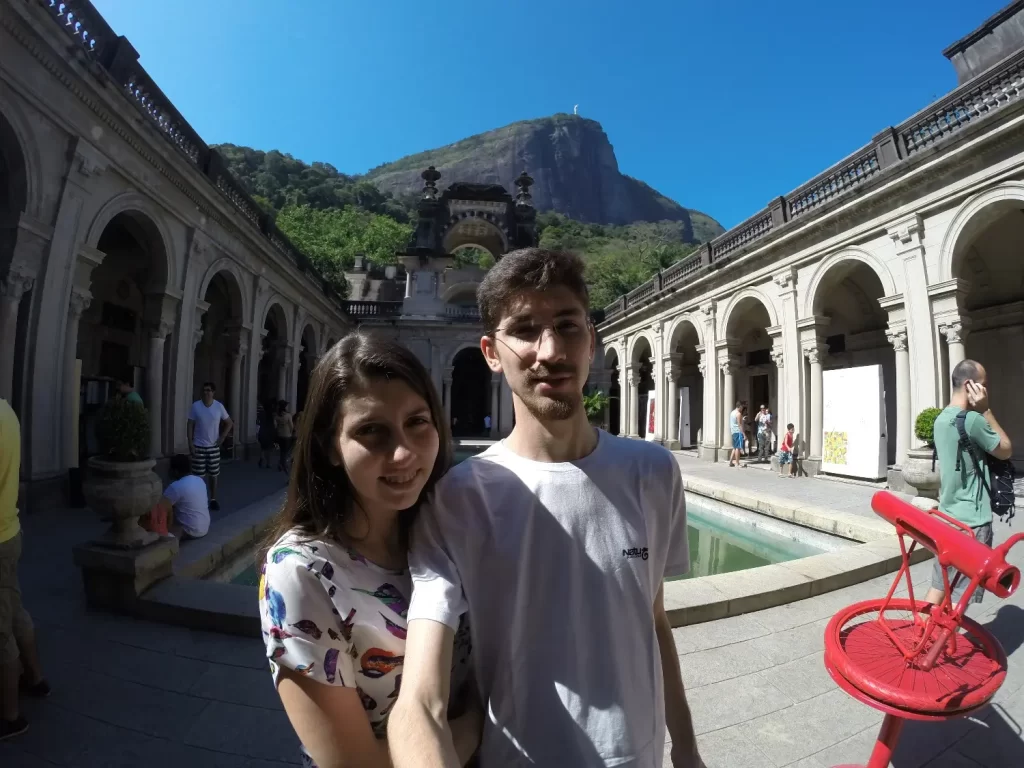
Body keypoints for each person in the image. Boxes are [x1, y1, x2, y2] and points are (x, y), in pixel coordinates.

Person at [389, 248, 704, 768]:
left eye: (567, 326)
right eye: (526, 329)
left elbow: (654, 620)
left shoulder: (653, 471)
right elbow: (421, 698)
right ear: (491, 351)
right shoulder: (457, 499)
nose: (551, 350)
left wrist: (688, 752)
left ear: (591, 340)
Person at [258, 333, 480, 768]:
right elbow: (354, 764)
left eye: (417, 421)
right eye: (371, 431)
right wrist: (479, 723)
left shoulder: (443, 528)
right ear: (330, 448)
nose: (403, 453)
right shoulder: (301, 572)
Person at [925, 359, 1013, 608]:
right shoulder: (972, 420)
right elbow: (1005, 450)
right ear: (969, 385)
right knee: (959, 598)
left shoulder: (941, 419)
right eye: (983, 385)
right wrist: (986, 410)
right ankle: (939, 644)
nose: (986, 390)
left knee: (940, 586)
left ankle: (921, 639)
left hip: (948, 516)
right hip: (972, 523)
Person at [0, 399, 48, 741]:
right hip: (9, 530)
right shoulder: (7, 412)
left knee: (0, 631)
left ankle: (10, 717)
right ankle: (35, 679)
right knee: (14, 611)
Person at [187, 382, 233, 512]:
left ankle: (213, 499)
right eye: (204, 390)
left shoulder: (218, 406)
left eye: (209, 390)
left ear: (213, 392)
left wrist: (222, 437)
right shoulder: (196, 406)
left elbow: (229, 422)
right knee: (198, 476)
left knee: (213, 475)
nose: (206, 393)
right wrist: (190, 443)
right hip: (198, 446)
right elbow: (190, 424)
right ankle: (198, 501)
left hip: (213, 447)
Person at [154, 454, 210, 539]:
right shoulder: (199, 480)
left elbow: (161, 508)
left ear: (175, 471)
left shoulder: (175, 487)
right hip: (204, 528)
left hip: (189, 531)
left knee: (156, 528)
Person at [274, 400, 295, 472]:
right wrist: (292, 432)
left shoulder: (276, 415)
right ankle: (283, 464)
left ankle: (281, 463)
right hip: (287, 435)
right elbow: (291, 426)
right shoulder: (288, 415)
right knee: (285, 451)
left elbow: (275, 426)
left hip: (280, 435)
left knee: (281, 451)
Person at [257, 400, 277, 469]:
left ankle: (262, 457)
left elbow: (258, 422)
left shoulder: (261, 413)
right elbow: (274, 423)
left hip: (262, 430)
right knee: (269, 449)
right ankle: (268, 463)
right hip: (270, 431)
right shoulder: (272, 414)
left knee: (263, 447)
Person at [728, 401, 744, 467]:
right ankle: (737, 463)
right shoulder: (738, 414)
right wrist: (743, 434)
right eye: (742, 406)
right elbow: (739, 424)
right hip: (737, 431)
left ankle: (730, 462)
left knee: (734, 447)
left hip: (733, 431)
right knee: (738, 447)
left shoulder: (732, 412)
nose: (742, 408)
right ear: (740, 406)